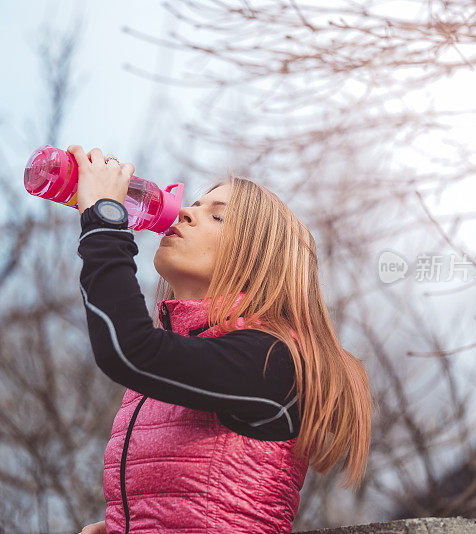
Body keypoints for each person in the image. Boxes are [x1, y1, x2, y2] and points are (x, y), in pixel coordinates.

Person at [70, 145, 372, 534]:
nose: (184, 212)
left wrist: (105, 219)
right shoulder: (176, 352)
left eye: (217, 216)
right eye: (193, 204)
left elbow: (128, 349)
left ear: (258, 260)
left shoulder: (271, 360)